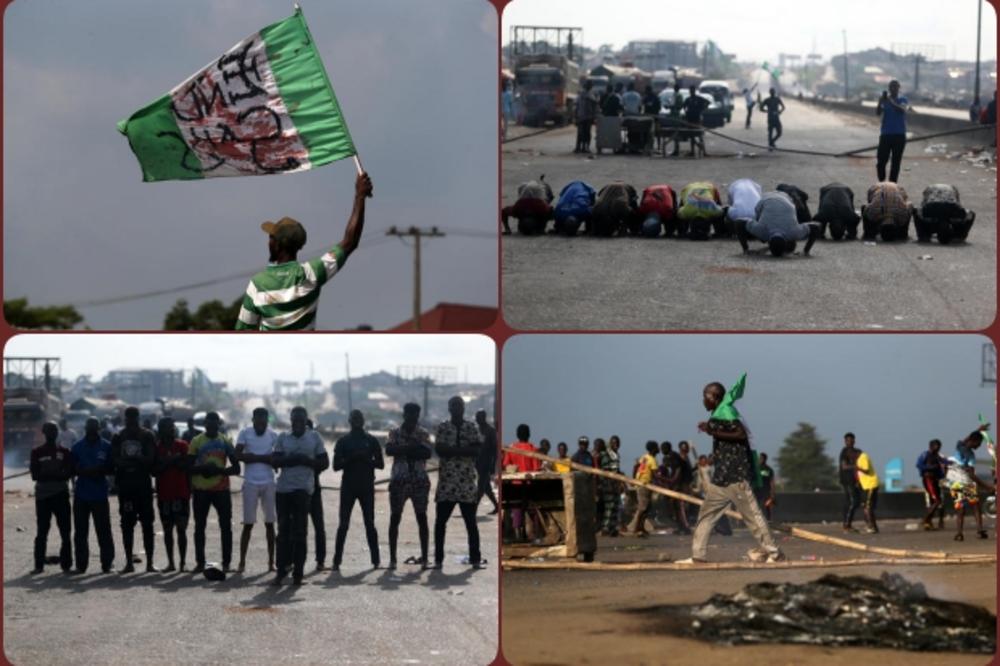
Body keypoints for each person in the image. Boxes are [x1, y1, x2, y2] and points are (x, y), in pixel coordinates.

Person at [235, 171, 373, 330]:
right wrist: (359, 196)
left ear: (278, 245)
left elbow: (242, 333)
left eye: (271, 237)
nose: (268, 241)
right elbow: (350, 242)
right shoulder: (312, 274)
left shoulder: (257, 285)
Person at [679, 377, 784, 564]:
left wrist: (711, 431)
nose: (703, 400)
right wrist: (709, 427)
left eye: (705, 396)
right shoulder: (719, 413)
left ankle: (775, 554)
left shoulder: (726, 411)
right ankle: (698, 556)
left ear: (715, 397)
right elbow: (723, 431)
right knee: (706, 515)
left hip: (736, 475)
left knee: (753, 517)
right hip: (722, 478)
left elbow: (739, 433)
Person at [272, 406, 329, 584]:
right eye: (295, 420)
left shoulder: (314, 437)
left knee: (300, 532)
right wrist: (293, 460)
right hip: (283, 490)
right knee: (282, 531)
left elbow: (325, 462)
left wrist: (308, 461)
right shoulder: (283, 437)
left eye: (301, 420)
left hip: (304, 490)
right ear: (291, 420)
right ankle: (281, 570)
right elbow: (275, 460)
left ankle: (298, 572)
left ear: (305, 421)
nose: (298, 423)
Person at [433, 396, 484, 569]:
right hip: (447, 483)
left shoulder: (471, 427)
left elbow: (476, 450)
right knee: (440, 523)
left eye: (459, 405)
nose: (456, 408)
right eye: (453, 405)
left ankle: (475, 558)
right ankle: (438, 559)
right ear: (449, 408)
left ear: (463, 408)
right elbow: (439, 449)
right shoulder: (443, 427)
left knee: (471, 523)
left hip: (466, 484)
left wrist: (453, 451)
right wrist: (463, 451)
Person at [187, 411, 240, 573]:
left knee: (225, 527)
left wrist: (219, 471)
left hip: (221, 489)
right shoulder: (196, 441)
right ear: (204, 425)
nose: (211, 426)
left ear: (219, 424)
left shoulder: (226, 441)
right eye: (208, 424)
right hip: (201, 490)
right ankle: (200, 562)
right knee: (199, 527)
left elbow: (236, 468)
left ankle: (226, 563)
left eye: (214, 424)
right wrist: (204, 468)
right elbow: (188, 468)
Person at [331, 409, 383, 570]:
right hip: (348, 487)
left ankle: (376, 560)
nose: (357, 421)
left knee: (370, 524)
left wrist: (366, 459)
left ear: (363, 421)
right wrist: (351, 458)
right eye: (354, 419)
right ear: (349, 421)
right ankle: (336, 560)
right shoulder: (343, 441)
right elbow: (335, 466)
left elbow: (380, 464)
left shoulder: (371, 440)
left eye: (359, 418)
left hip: (366, 487)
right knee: (343, 525)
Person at [386, 403, 433, 568]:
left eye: (415, 414)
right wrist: (412, 447)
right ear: (404, 414)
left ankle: (425, 557)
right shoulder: (395, 432)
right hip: (399, 480)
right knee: (395, 518)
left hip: (419, 481)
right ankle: (392, 559)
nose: (412, 417)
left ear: (418, 415)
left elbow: (427, 453)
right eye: (409, 413)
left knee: (422, 518)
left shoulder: (423, 433)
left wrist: (403, 449)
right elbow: (389, 450)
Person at [111, 406, 157, 573]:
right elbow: (116, 461)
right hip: (127, 487)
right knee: (127, 524)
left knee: (146, 524)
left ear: (137, 417)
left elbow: (150, 460)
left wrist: (133, 460)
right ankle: (130, 563)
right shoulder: (119, 436)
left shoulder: (146, 435)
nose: (130, 420)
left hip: (142, 486)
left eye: (133, 417)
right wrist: (138, 461)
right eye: (128, 417)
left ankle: (149, 563)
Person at [235, 407, 277, 573]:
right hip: (250, 483)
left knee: (270, 524)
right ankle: (242, 562)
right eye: (258, 421)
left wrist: (254, 458)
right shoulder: (245, 433)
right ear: (253, 420)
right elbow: (236, 454)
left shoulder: (273, 435)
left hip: (268, 482)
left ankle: (271, 562)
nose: (260, 424)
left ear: (267, 421)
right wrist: (264, 458)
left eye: (263, 421)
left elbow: (278, 456)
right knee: (248, 524)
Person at [70, 417, 115, 573]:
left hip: (100, 494)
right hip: (81, 494)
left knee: (103, 530)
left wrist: (99, 471)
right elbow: (71, 469)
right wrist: (83, 472)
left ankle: (107, 563)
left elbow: (111, 468)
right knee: (81, 532)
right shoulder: (76, 447)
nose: (92, 430)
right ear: (85, 428)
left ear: (99, 429)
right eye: (90, 427)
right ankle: (81, 565)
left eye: (95, 428)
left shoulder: (106, 446)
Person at [30, 421, 74, 574]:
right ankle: (38, 565)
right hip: (43, 497)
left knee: (65, 531)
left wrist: (48, 473)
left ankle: (67, 564)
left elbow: (68, 473)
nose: (52, 433)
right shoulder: (37, 452)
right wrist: (56, 474)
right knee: (42, 531)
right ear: (44, 432)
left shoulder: (65, 451)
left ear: (57, 433)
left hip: (61, 495)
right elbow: (35, 475)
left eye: (54, 430)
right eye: (49, 430)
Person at [153, 417, 190, 572]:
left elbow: (185, 466)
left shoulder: (182, 445)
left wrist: (167, 462)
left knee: (181, 529)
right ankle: (171, 563)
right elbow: (155, 471)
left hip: (181, 493)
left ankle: (182, 563)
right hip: (164, 495)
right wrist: (173, 460)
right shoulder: (156, 448)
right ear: (162, 430)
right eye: (169, 427)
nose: (172, 429)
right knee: (167, 530)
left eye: (173, 426)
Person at [737, 191, 820, 257]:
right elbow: (739, 222)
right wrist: (805, 252)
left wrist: (746, 249)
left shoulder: (793, 232)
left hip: (779, 199)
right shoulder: (763, 232)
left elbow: (816, 226)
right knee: (761, 235)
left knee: (761, 233)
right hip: (775, 198)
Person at [947, 430, 994, 541]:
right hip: (965, 482)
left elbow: (966, 438)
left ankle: (959, 533)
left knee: (960, 508)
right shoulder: (971, 456)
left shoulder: (959, 446)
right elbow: (972, 475)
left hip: (954, 482)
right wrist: (987, 487)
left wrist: (979, 429)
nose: (979, 446)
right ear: (974, 441)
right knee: (975, 506)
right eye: (979, 443)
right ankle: (979, 531)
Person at [503, 424, 542, 543]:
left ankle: (518, 535)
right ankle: (534, 535)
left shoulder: (512, 449)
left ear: (517, 434)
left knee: (517, 509)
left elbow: (506, 465)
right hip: (530, 484)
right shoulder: (533, 449)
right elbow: (537, 468)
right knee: (532, 510)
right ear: (529, 434)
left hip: (515, 485)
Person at [875, 80, 909, 182]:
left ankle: (892, 184)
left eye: (895, 87)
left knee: (896, 162)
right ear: (889, 88)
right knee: (881, 161)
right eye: (891, 87)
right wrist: (880, 102)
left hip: (899, 135)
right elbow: (877, 113)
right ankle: (881, 182)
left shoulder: (903, 99)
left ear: (899, 88)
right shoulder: (885, 100)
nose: (893, 89)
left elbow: (902, 110)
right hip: (886, 134)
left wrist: (890, 101)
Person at [304, 418, 327, 571]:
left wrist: (310, 464)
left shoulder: (315, 443)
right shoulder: (294, 443)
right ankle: (299, 560)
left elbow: (324, 463)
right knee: (301, 528)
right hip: (300, 490)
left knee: (318, 526)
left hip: (314, 487)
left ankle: (320, 560)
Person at [624, 441, 660, 537]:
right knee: (643, 508)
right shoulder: (652, 460)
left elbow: (637, 467)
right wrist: (665, 482)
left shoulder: (644, 457)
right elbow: (656, 474)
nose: (658, 449)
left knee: (647, 507)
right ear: (653, 449)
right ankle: (636, 528)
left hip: (641, 483)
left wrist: (634, 478)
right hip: (644, 484)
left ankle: (641, 527)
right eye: (657, 447)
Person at [916, 439, 946, 530]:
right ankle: (926, 520)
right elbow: (919, 465)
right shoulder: (925, 454)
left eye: (939, 447)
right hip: (928, 480)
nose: (938, 449)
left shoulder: (937, 456)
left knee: (938, 501)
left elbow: (943, 466)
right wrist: (930, 468)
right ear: (931, 446)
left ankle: (930, 521)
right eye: (937, 447)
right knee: (935, 501)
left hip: (936, 480)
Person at [475, 409, 499, 514]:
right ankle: (497, 506)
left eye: (479, 417)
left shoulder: (490, 431)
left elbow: (494, 449)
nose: (477, 419)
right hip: (478, 463)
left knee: (481, 487)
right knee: (487, 487)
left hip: (487, 463)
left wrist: (493, 464)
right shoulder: (477, 430)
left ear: (483, 418)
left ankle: (473, 509)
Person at [598, 437, 622, 536]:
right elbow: (605, 471)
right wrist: (610, 484)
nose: (615, 445)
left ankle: (613, 528)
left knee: (615, 506)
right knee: (609, 507)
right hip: (608, 485)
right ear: (610, 444)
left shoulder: (616, 455)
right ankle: (605, 528)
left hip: (615, 484)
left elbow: (616, 470)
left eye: (617, 443)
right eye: (613, 443)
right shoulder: (607, 455)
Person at [838, 433, 862, 532]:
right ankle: (846, 525)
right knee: (852, 501)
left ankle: (848, 524)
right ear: (845, 441)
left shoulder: (857, 452)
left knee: (855, 502)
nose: (850, 442)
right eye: (848, 440)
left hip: (855, 480)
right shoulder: (844, 452)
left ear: (854, 441)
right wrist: (855, 467)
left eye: (851, 440)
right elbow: (844, 466)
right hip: (847, 480)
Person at [854, 447, 879, 534]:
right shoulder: (858, 460)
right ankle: (873, 527)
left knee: (867, 508)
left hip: (870, 485)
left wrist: (857, 468)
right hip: (865, 486)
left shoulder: (863, 457)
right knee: (866, 507)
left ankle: (871, 527)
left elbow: (866, 470)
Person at [680, 85, 710, 156]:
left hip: (697, 119)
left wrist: (702, 109)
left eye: (692, 90)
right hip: (690, 119)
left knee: (699, 135)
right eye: (690, 91)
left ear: (694, 91)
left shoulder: (698, 99)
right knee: (691, 135)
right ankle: (692, 151)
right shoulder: (688, 99)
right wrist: (686, 111)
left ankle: (704, 151)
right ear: (689, 91)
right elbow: (683, 106)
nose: (691, 92)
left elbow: (708, 102)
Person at [574, 80, 598, 153]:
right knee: (585, 132)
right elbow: (595, 105)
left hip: (583, 116)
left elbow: (576, 105)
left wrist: (575, 116)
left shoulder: (581, 94)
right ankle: (584, 147)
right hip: (586, 116)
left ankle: (580, 147)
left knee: (582, 132)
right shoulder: (590, 95)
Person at [754, 452, 775, 521]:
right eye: (760, 458)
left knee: (767, 505)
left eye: (762, 458)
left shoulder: (769, 469)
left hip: (766, 490)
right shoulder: (756, 468)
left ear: (765, 459)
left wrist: (772, 492)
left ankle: (768, 520)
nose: (760, 460)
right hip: (757, 490)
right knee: (756, 505)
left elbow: (771, 481)